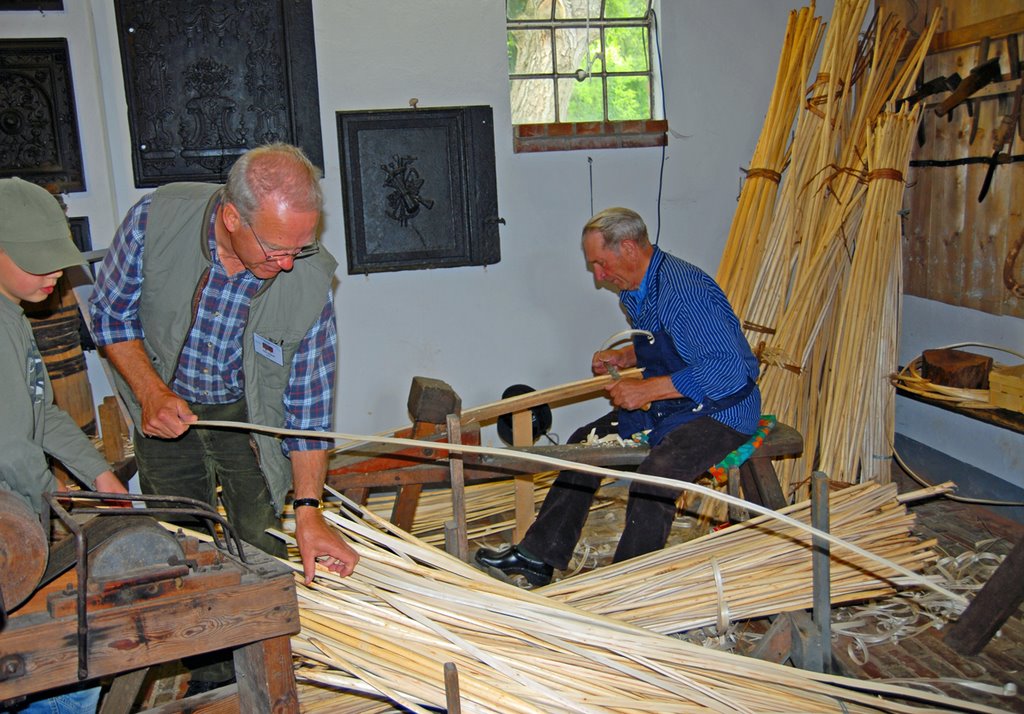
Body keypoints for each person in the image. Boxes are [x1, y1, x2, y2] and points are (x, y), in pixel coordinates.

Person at [89, 143, 358, 582]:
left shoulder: (306, 279)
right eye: (275, 249)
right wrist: (150, 392)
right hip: (163, 395)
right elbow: (110, 314)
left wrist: (309, 512)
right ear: (232, 219)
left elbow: (309, 405)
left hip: (247, 413)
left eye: (301, 246)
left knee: (261, 540)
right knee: (176, 541)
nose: (288, 263)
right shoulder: (155, 222)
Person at [475, 207, 761, 587]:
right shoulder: (635, 292)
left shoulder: (684, 292)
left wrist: (646, 389)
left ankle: (630, 585)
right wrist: (625, 356)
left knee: (655, 476)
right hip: (678, 405)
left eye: (600, 263)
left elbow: (729, 370)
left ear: (628, 248)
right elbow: (671, 347)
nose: (598, 276)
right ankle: (538, 556)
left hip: (724, 410)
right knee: (584, 448)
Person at [0, 177, 130, 714]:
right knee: (65, 663)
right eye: (38, 259)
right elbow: (11, 448)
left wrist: (99, 473)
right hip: (9, 532)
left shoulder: (14, 313)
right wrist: (44, 516)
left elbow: (40, 412)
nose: (55, 272)